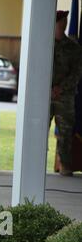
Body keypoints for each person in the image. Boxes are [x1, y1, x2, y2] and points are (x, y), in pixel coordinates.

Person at [51, 10, 82, 176]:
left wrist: (60, 88)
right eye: (62, 20)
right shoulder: (43, 43)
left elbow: (77, 72)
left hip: (65, 96)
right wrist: (47, 88)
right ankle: (35, 164)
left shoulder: (73, 47)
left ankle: (64, 165)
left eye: (65, 20)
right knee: (38, 130)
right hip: (44, 95)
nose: (64, 23)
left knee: (65, 132)